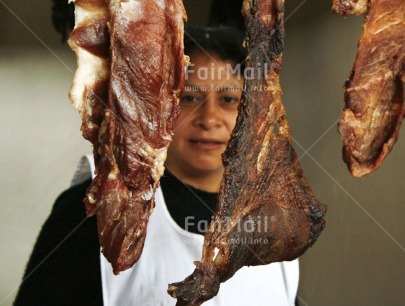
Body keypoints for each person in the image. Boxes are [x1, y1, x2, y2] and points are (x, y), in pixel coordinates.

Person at [14, 26, 300, 306]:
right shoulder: (100, 209)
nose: (209, 118)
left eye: (228, 100)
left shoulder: (276, 220)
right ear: (159, 109)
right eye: (189, 98)